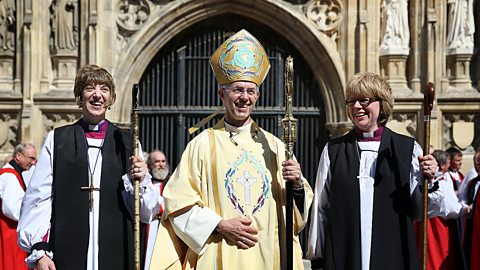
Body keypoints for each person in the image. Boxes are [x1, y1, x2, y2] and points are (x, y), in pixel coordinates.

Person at [154, 29, 313, 270]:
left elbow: (296, 217)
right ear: (222, 93)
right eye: (237, 90)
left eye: (250, 91)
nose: (244, 98)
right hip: (218, 254)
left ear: (257, 96)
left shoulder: (275, 146)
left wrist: (298, 186)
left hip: (267, 256)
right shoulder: (202, 144)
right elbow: (177, 202)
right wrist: (219, 225)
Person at [306, 72, 456, 270]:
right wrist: (318, 256)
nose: (356, 107)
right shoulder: (333, 150)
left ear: (382, 104)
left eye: (364, 100)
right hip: (344, 256)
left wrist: (431, 177)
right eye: (351, 101)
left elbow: (424, 208)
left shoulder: (407, 149)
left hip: (394, 254)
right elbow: (321, 208)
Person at [17, 65, 161, 270]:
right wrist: (39, 250)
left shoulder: (127, 142)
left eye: (104, 89)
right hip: (66, 250)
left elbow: (145, 212)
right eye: (90, 88)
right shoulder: (58, 140)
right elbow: (38, 199)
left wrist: (140, 180)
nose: (97, 95)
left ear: (111, 99)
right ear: (79, 97)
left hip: (117, 251)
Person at [420, 150, 468, 270]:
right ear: (442, 165)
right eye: (448, 163)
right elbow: (449, 207)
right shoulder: (441, 179)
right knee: (437, 258)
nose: (449, 165)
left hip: (429, 222)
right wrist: (463, 211)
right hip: (438, 224)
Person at [0, 143, 36, 270]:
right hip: (9, 232)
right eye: (30, 158)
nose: (33, 162)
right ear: (19, 156)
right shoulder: (9, 176)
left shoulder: (13, 173)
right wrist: (32, 215)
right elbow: (11, 209)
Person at [144, 149, 171, 270]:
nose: (161, 165)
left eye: (163, 161)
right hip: (150, 227)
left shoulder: (173, 181)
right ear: (150, 165)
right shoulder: (145, 183)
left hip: (167, 227)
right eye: (157, 162)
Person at [463, 150, 480, 269]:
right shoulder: (472, 182)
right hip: (472, 224)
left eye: (479, 161)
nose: (477, 164)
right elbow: (463, 198)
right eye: (476, 161)